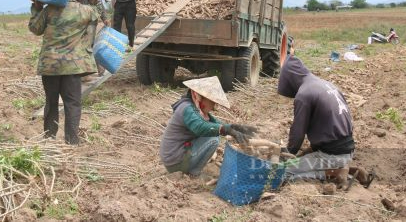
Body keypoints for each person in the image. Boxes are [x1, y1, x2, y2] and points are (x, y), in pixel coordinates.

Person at [278, 46, 374, 188]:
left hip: (332, 154)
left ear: (290, 79)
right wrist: (306, 153)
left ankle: (336, 173)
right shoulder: (327, 85)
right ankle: (346, 169)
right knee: (302, 159)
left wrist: (286, 158)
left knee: (283, 173)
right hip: (346, 149)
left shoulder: (304, 94)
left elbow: (297, 135)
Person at [28, 0, 102, 145]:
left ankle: (49, 139)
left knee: (51, 103)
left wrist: (37, 8)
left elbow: (35, 29)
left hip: (50, 66)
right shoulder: (83, 11)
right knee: (72, 104)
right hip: (72, 67)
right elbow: (98, 8)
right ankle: (72, 141)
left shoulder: (49, 10)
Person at [160, 76, 257, 176]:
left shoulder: (194, 108)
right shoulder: (187, 109)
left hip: (176, 159)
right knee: (213, 138)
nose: (214, 106)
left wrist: (235, 128)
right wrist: (224, 129)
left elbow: (216, 123)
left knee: (214, 132)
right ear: (199, 96)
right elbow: (201, 127)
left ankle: (191, 170)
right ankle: (195, 173)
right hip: (176, 163)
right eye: (212, 101)